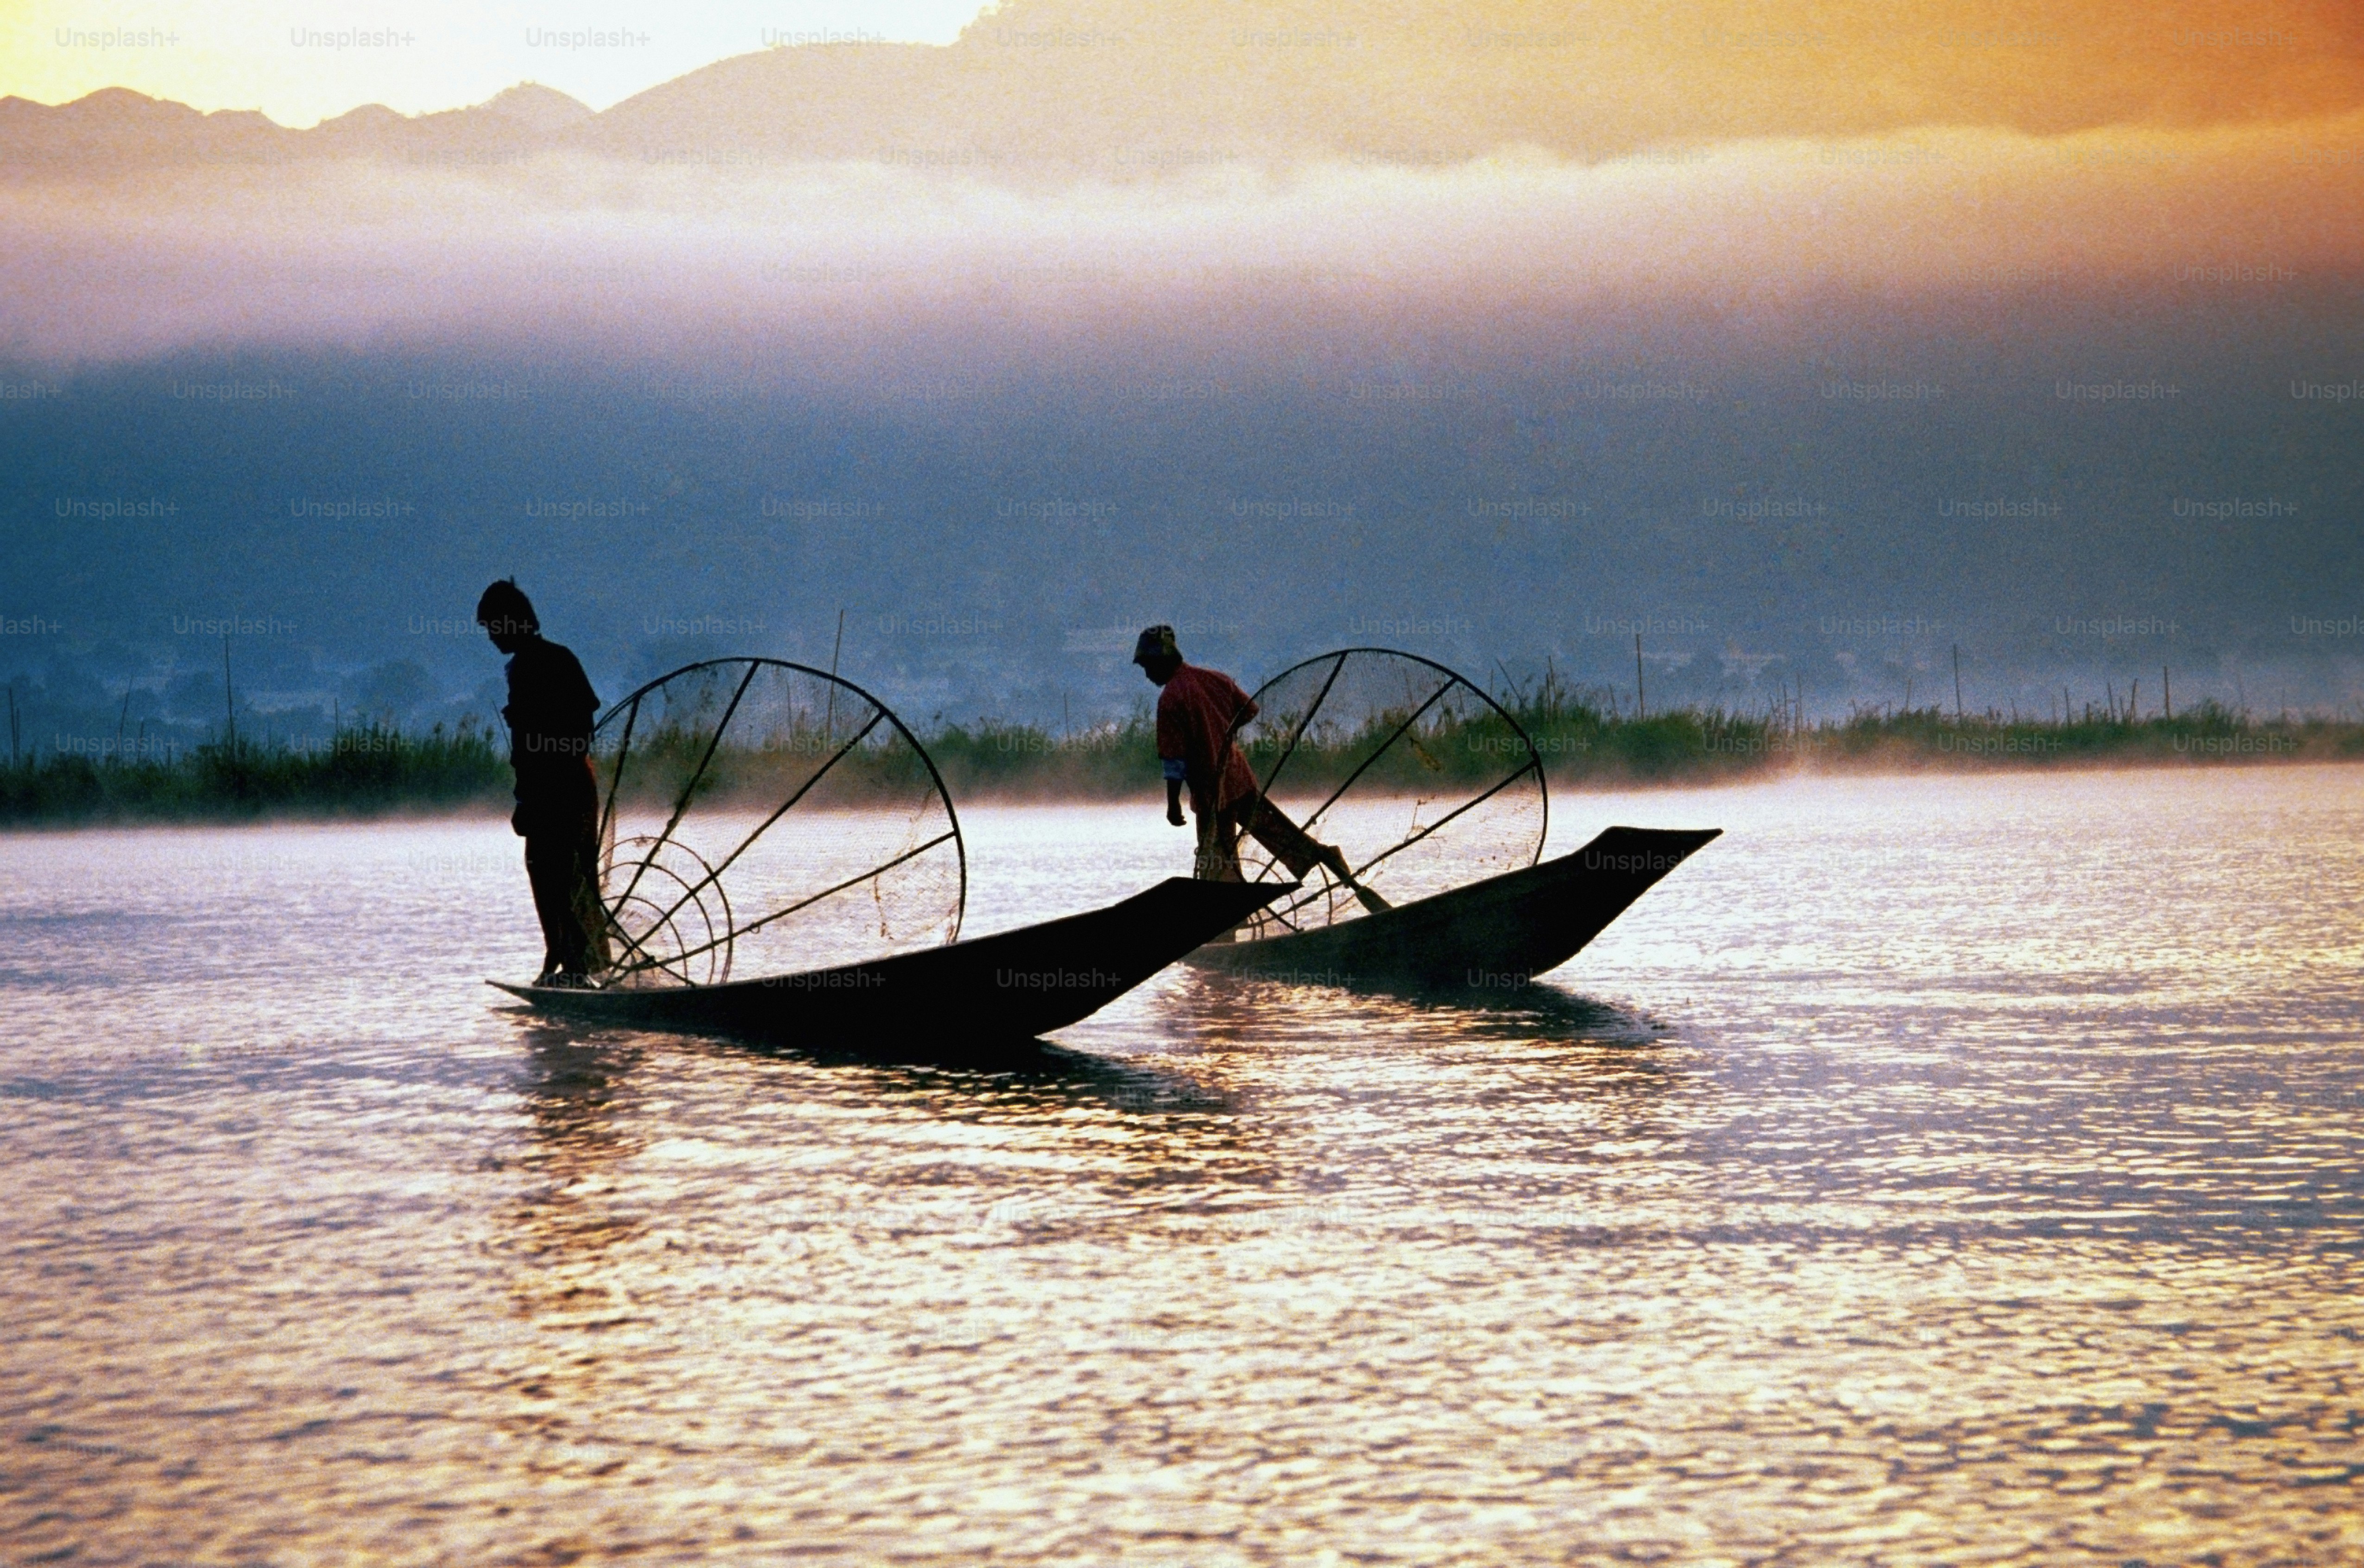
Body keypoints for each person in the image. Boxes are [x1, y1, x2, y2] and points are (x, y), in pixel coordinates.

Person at [1133, 625, 1387, 913]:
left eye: (1148, 666)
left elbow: (1174, 761)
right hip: (1238, 778)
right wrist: (1222, 733)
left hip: (1210, 793)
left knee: (1216, 860)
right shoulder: (1214, 679)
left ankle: (1225, 924)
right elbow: (1249, 710)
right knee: (1278, 833)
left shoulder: (1171, 698)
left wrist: (1172, 806)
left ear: (1162, 660)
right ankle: (1325, 857)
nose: (1148, 674)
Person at [477, 579, 609, 985]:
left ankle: (574, 965)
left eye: (495, 628)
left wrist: (535, 795)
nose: (493, 637)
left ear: (514, 623)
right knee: (556, 872)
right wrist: (527, 797)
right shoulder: (538, 662)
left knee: (561, 873)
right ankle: (572, 961)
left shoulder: (545, 662)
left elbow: (578, 726)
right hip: (561, 784)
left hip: (562, 786)